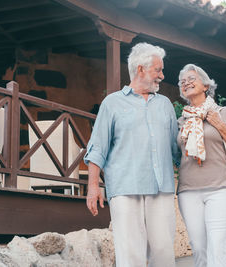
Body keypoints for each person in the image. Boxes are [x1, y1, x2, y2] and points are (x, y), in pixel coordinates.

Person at [84, 42, 180, 267]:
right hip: (126, 187)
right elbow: (97, 147)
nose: (162, 75)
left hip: (161, 187)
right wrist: (93, 186)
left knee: (164, 252)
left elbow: (177, 150)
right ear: (141, 69)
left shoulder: (165, 104)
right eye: (158, 70)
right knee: (130, 254)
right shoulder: (112, 103)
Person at [176, 64, 226, 267]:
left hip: (219, 190)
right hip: (188, 192)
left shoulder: (223, 113)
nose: (186, 82)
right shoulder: (182, 121)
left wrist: (219, 124)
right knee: (199, 249)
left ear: (206, 85)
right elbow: (176, 155)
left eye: (191, 78)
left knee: (217, 247)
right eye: (183, 81)